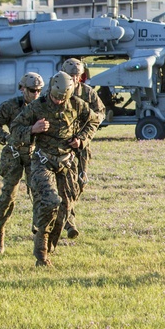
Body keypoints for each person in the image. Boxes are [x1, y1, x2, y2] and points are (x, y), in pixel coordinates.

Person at [9, 72, 101, 267]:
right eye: (56, 97)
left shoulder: (77, 104)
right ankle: (41, 245)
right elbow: (15, 129)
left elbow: (94, 121)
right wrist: (33, 129)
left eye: (62, 98)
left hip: (67, 162)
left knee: (66, 208)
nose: (58, 101)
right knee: (51, 201)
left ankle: (48, 247)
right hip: (43, 161)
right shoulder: (37, 106)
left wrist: (81, 139)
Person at [0, 72, 45, 254]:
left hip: (34, 155)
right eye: (32, 90)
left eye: (39, 91)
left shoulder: (43, 107)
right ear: (22, 89)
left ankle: (39, 236)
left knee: (38, 195)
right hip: (13, 156)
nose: (36, 94)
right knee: (8, 197)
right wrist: (5, 138)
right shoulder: (10, 106)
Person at [60, 58, 105, 240]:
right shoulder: (57, 91)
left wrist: (84, 133)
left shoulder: (88, 93)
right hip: (61, 145)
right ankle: (69, 222)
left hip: (82, 145)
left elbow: (100, 113)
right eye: (71, 75)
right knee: (64, 185)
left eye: (77, 76)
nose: (75, 79)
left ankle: (64, 214)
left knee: (80, 182)